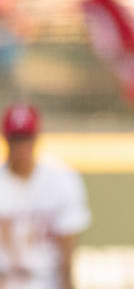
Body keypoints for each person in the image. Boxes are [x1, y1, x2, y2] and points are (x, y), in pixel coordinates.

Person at [0, 104, 91, 289]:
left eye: (26, 138)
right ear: (6, 139)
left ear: (36, 138)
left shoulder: (61, 178)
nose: (21, 146)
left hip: (46, 280)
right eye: (16, 139)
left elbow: (67, 251)